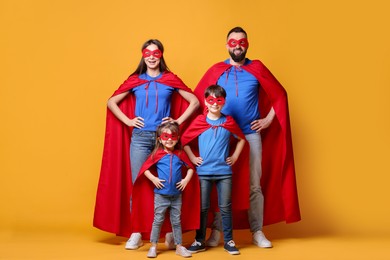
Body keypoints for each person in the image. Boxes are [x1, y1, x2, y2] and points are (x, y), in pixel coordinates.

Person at [193, 27, 301, 248]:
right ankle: (216, 232)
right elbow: (197, 99)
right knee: (218, 182)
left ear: (247, 44)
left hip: (250, 134)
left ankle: (257, 231)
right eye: (232, 42)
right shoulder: (217, 70)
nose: (237, 46)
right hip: (222, 136)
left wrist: (268, 120)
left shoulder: (257, 68)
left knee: (254, 184)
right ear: (226, 45)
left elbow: (280, 95)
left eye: (241, 42)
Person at [93, 39, 200, 249]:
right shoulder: (136, 80)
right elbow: (111, 101)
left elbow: (195, 101)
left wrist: (177, 121)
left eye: (156, 53)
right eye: (147, 53)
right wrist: (129, 121)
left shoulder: (170, 79)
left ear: (161, 55)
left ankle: (170, 232)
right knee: (139, 183)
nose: (151, 57)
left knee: (169, 183)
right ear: (143, 55)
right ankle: (136, 232)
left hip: (165, 141)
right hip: (140, 138)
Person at [181, 85, 247, 255]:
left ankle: (229, 240)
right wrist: (193, 158)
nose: (215, 104)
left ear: (223, 102)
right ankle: (199, 240)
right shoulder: (200, 122)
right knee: (202, 208)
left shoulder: (228, 122)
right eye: (211, 100)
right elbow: (184, 141)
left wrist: (236, 156)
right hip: (203, 172)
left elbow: (241, 139)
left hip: (224, 172)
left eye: (219, 100)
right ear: (205, 101)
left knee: (225, 207)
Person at [131, 122, 195, 258]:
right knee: (158, 220)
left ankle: (179, 246)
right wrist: (154, 179)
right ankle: (153, 246)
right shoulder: (157, 154)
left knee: (176, 222)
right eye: (165, 136)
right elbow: (145, 169)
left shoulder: (180, 154)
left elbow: (190, 168)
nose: (170, 139)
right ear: (160, 138)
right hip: (161, 195)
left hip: (177, 195)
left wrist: (185, 180)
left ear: (177, 138)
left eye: (173, 136)